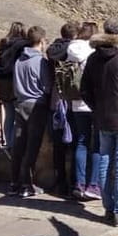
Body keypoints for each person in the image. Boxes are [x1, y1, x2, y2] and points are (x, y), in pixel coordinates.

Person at [81, 18, 118, 226]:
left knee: (105, 161)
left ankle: (108, 208)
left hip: (102, 119)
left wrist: (97, 108)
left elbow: (85, 90)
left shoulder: (93, 58)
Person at [11, 26, 53, 197]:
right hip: (36, 105)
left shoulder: (18, 61)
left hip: (20, 103)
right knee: (32, 146)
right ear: (42, 41)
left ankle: (14, 182)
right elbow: (47, 85)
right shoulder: (40, 62)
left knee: (19, 144)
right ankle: (27, 185)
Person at [66, 23, 102, 200]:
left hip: (76, 102)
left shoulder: (70, 50)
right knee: (96, 144)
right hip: (94, 103)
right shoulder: (93, 52)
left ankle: (79, 184)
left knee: (81, 142)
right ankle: (93, 185)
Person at [46, 21, 80, 197]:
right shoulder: (74, 51)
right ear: (75, 35)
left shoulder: (51, 51)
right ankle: (75, 183)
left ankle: (60, 183)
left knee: (58, 146)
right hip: (72, 102)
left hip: (55, 101)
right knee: (75, 144)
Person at [0, 23, 28, 158]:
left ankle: (8, 143)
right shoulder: (22, 45)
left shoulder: (3, 44)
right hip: (16, 85)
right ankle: (18, 144)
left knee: (9, 116)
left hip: (3, 85)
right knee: (20, 117)